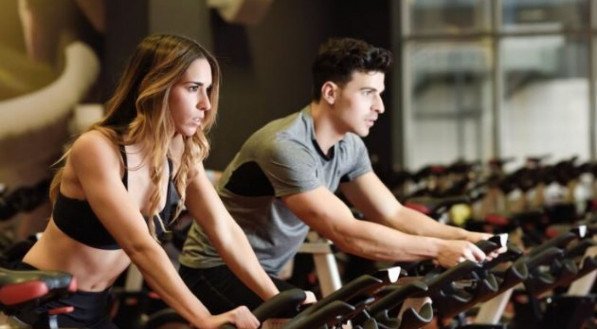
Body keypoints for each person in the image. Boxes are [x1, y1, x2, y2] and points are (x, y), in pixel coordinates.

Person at [179, 37, 499, 312]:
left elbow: (392, 212)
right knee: (318, 319)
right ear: (330, 93)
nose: (380, 107)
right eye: (368, 93)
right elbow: (346, 233)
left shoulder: (350, 146)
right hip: (212, 270)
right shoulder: (285, 146)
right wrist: (437, 250)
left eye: (381, 93)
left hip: (261, 270)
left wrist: (467, 238)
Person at [14, 34, 282, 329]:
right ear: (157, 87)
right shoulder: (98, 149)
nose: (206, 104)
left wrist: (279, 300)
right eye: (193, 88)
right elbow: (139, 245)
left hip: (95, 307)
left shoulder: (182, 154)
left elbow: (225, 231)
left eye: (208, 90)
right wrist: (204, 318)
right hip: (42, 306)